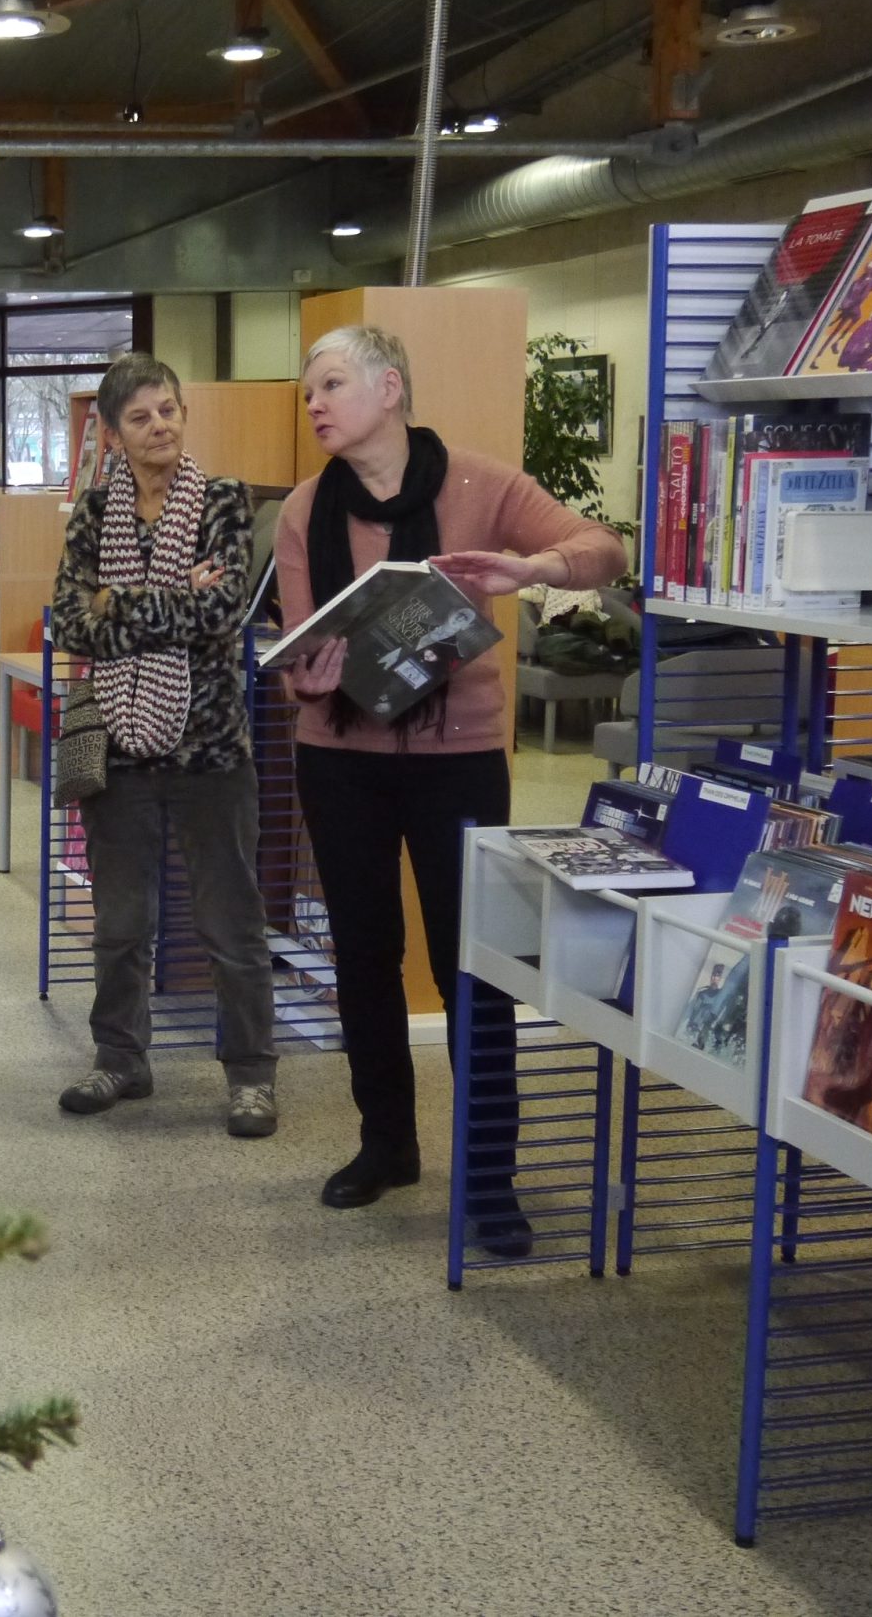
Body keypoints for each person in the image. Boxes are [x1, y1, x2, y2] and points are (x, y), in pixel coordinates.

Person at [278, 324, 627, 1247]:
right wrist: (304, 675)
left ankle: (489, 1176)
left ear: (390, 388)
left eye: (332, 384)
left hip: (457, 759)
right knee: (362, 954)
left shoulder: (481, 483)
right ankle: (385, 1142)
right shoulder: (303, 507)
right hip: (339, 754)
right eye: (308, 390)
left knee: (475, 962)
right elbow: (302, 639)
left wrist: (531, 569)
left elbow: (604, 549)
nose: (314, 403)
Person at [48, 353, 280, 1138]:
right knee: (120, 922)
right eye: (142, 416)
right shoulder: (91, 513)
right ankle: (121, 1057)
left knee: (230, 922)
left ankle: (250, 1074)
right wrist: (177, 595)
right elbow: (70, 623)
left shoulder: (222, 501)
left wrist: (123, 603)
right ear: (112, 434)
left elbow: (220, 617)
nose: (161, 426)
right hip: (117, 748)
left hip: (211, 749)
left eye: (170, 410)